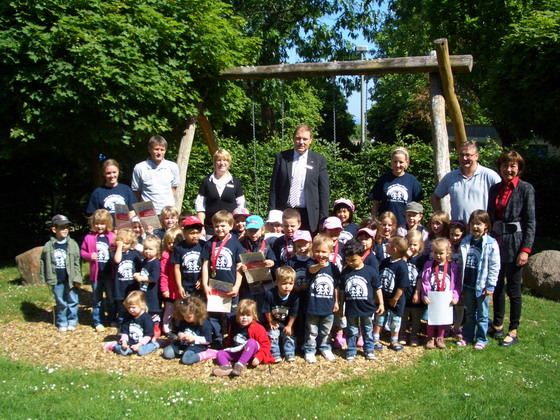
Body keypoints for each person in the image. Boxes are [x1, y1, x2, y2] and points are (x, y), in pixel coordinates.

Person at [487, 151, 536, 347]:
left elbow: (530, 222)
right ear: (500, 167)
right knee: (496, 287)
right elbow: (490, 217)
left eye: (513, 166)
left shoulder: (525, 189)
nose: (509, 169)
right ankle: (497, 325)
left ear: (519, 168)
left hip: (515, 243)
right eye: (505, 165)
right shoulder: (494, 189)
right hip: (496, 241)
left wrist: (525, 249)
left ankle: (513, 330)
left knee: (513, 289)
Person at [268, 125, 330, 232]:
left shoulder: (319, 160)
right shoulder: (281, 158)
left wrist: (323, 219)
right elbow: (274, 188)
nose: (301, 142)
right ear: (293, 139)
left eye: (305, 139)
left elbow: (324, 191)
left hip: (309, 215)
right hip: (285, 212)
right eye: (298, 138)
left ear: (310, 140)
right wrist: (272, 214)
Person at [457, 210, 500, 350]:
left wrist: (490, 286)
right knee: (469, 312)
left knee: (482, 314)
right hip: (468, 283)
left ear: (486, 226)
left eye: (479, 224)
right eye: (473, 224)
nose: (475, 227)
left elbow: (494, 266)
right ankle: (468, 337)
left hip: (481, 285)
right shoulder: (465, 241)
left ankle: (481, 338)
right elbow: (460, 262)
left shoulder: (491, 244)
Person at [201, 211, 245, 344]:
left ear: (231, 226)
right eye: (216, 226)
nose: (219, 229)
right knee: (214, 315)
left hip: (230, 286)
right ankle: (217, 339)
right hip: (214, 286)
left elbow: (239, 266)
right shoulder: (209, 244)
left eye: (223, 225)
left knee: (231, 315)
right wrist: (205, 285)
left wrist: (237, 286)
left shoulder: (236, 244)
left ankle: (232, 339)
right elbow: (205, 265)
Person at [431, 141, 501, 224]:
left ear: (476, 156)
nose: (464, 158)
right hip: (459, 231)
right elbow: (434, 198)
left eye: (468, 155)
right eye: (461, 155)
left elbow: (502, 197)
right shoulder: (450, 177)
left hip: (481, 229)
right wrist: (443, 220)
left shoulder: (489, 175)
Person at [340, 240, 383, 361]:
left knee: (367, 329)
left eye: (353, 260)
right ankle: (351, 350)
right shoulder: (345, 272)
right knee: (352, 330)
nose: (350, 263)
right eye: (347, 260)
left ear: (361, 256)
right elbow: (342, 291)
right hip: (351, 308)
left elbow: (377, 288)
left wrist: (381, 303)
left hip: (366, 307)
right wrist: (341, 306)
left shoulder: (370, 271)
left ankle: (369, 350)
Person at [40, 214, 82, 332]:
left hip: (71, 278)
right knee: (60, 301)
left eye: (67, 227)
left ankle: (72, 320)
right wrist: (45, 278)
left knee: (72, 300)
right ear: (54, 229)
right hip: (56, 278)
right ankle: (62, 321)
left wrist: (78, 278)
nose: (65, 230)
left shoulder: (72, 244)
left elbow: (77, 262)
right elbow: (43, 262)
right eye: (62, 227)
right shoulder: (49, 246)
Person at [213, 299, 275, 377]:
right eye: (242, 315)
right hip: (238, 352)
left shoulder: (258, 328)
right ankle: (226, 368)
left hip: (251, 354)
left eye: (248, 315)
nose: (244, 318)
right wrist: (227, 348)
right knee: (220, 353)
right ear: (237, 315)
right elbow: (231, 340)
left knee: (251, 342)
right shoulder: (233, 325)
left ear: (254, 316)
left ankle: (239, 366)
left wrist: (259, 357)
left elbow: (266, 345)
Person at [304, 234, 340, 363]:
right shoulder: (311, 263)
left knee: (326, 330)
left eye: (324, 251)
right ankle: (309, 350)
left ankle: (325, 347)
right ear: (313, 251)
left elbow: (336, 286)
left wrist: (336, 301)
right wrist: (319, 266)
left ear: (330, 252)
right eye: (317, 251)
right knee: (311, 331)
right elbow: (311, 271)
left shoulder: (334, 268)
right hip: (313, 305)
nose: (320, 254)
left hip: (328, 305)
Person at [420, 238, 461, 349]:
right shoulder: (428, 265)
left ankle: (440, 338)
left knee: (442, 319)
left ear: (448, 253)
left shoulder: (453, 267)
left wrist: (455, 296)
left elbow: (457, 284)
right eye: (435, 252)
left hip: (446, 298)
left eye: (441, 253)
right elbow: (425, 281)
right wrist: (424, 295)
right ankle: (430, 338)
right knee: (431, 319)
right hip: (432, 297)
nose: (438, 255)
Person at [195, 149, 246, 237]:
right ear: (214, 162)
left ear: (229, 162)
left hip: (231, 229)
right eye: (219, 160)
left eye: (225, 160)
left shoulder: (236, 182)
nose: (222, 163)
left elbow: (241, 206)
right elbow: (200, 206)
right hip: (211, 229)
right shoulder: (206, 182)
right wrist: (202, 227)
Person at [80, 209, 116, 332]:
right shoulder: (89, 237)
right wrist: (89, 256)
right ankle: (98, 321)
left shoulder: (112, 236)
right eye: (97, 223)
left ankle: (112, 319)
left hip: (109, 273)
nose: (99, 226)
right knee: (97, 299)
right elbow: (82, 252)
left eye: (102, 223)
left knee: (111, 298)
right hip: (96, 274)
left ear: (108, 224)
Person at [369, 147, 423, 227]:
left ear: (406, 163)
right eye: (395, 162)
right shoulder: (383, 179)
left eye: (401, 162)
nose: (398, 165)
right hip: (386, 226)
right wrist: (373, 221)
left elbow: (417, 205)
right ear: (391, 162)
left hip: (405, 225)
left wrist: (417, 222)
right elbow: (376, 203)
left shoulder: (412, 180)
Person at [373, 236, 409, 352]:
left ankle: (394, 339)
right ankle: (375, 337)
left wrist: (395, 298)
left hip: (396, 299)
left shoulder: (402, 265)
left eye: (388, 244)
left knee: (396, 320)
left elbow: (402, 285)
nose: (386, 246)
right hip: (384, 297)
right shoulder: (385, 262)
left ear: (394, 249)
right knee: (380, 317)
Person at [131, 135, 179, 214]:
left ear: (165, 151)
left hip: (167, 212)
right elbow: (137, 191)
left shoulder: (173, 167)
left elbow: (174, 188)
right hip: (147, 212)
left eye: (162, 150)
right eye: (156, 149)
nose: (159, 153)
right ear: (149, 149)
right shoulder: (140, 167)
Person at [162, 297, 217, 365]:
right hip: (183, 343)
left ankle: (205, 354)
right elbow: (180, 330)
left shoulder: (205, 324)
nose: (186, 319)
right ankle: (184, 353)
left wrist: (193, 338)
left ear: (197, 313)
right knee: (167, 353)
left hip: (197, 345)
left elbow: (208, 340)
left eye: (189, 317)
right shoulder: (184, 320)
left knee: (186, 360)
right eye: (184, 316)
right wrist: (180, 334)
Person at [262, 266, 299, 363]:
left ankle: (289, 352)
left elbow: (293, 314)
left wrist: (289, 326)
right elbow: (266, 310)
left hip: (286, 322)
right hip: (274, 321)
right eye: (284, 283)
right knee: (273, 334)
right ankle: (275, 353)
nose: (287, 286)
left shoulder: (294, 297)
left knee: (289, 334)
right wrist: (271, 321)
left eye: (290, 283)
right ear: (276, 282)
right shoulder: (270, 294)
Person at [106, 291, 159, 356]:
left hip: (144, 343)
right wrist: (124, 343)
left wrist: (139, 345)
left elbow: (148, 336)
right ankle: (114, 345)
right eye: (128, 308)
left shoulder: (146, 319)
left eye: (133, 307)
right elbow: (125, 332)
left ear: (141, 305)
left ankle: (156, 345)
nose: (131, 310)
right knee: (124, 352)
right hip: (130, 342)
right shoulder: (127, 317)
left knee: (140, 351)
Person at [399, 230, 427, 347]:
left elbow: (421, 277)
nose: (412, 247)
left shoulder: (421, 259)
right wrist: (405, 257)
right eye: (409, 244)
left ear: (420, 245)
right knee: (403, 313)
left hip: (415, 290)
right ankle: (402, 334)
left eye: (415, 244)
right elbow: (399, 269)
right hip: (404, 292)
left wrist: (417, 292)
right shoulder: (402, 257)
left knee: (416, 315)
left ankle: (414, 334)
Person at [133, 234, 162, 338]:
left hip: (152, 292)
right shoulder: (145, 261)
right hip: (144, 290)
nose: (147, 251)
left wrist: (142, 278)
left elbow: (154, 277)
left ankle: (156, 327)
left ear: (157, 251)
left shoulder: (155, 263)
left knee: (153, 310)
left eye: (150, 249)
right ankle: (147, 328)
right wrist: (138, 274)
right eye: (145, 249)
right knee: (145, 310)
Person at [113, 228, 142, 326]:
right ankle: (122, 325)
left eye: (126, 243)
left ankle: (132, 323)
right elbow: (117, 261)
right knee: (122, 307)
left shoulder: (134, 254)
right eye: (122, 242)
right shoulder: (115, 253)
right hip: (120, 286)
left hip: (131, 286)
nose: (124, 245)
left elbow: (140, 265)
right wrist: (119, 247)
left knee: (132, 305)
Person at [172, 216, 205, 299]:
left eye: (198, 233)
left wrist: (202, 279)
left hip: (200, 287)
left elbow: (206, 265)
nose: (195, 236)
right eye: (192, 233)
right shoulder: (179, 247)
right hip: (186, 287)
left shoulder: (204, 245)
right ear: (184, 232)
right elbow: (176, 268)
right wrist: (179, 286)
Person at [160, 227, 184, 335]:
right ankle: (167, 329)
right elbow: (163, 274)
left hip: (180, 290)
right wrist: (164, 289)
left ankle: (178, 327)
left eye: (175, 242)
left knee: (180, 310)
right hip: (170, 289)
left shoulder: (182, 253)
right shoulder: (166, 256)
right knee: (169, 311)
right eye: (169, 243)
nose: (172, 245)